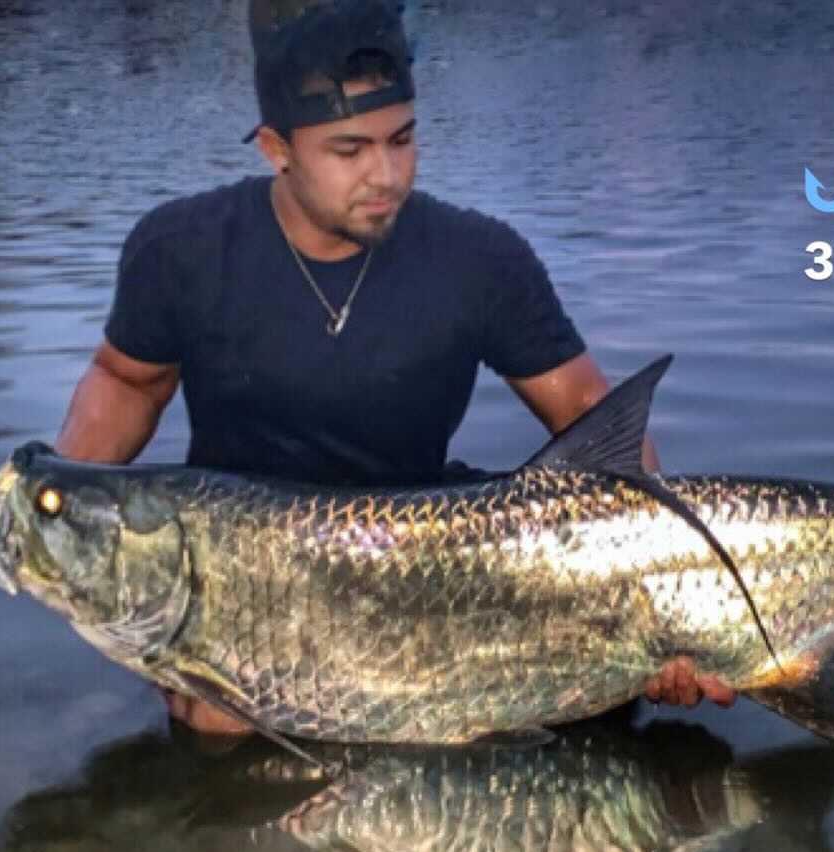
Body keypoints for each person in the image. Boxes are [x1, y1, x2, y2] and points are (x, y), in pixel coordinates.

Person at [54, 0, 736, 734]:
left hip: (428, 554)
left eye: (402, 139)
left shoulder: (481, 258)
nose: (385, 174)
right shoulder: (181, 248)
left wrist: (666, 589)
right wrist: (65, 518)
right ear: (276, 149)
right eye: (348, 151)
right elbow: (127, 380)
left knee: (602, 693)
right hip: (247, 574)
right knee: (223, 723)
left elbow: (583, 411)